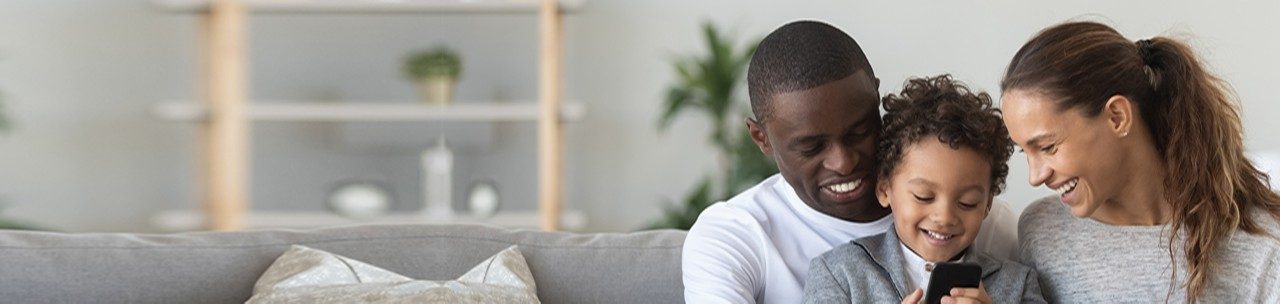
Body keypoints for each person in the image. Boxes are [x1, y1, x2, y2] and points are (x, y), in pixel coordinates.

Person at [682, 20, 1019, 304]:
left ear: (875, 97)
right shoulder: (737, 235)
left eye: (859, 132)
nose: (843, 163)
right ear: (761, 138)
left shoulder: (983, 223)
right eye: (811, 147)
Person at [1001, 21, 1280, 303]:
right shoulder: (1042, 232)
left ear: (1117, 117)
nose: (1035, 177)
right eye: (1026, 152)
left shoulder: (1261, 241)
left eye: (1048, 147)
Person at [802, 75, 1044, 304]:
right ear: (884, 188)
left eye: (968, 202)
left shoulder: (1018, 283)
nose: (944, 217)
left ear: (988, 203)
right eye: (924, 197)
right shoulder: (839, 272)